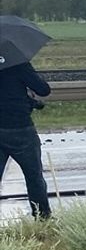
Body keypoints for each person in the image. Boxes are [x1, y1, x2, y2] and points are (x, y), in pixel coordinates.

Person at [0, 60, 52, 218]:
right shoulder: (17, 62)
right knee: (34, 176)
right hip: (20, 127)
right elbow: (43, 89)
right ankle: (42, 217)